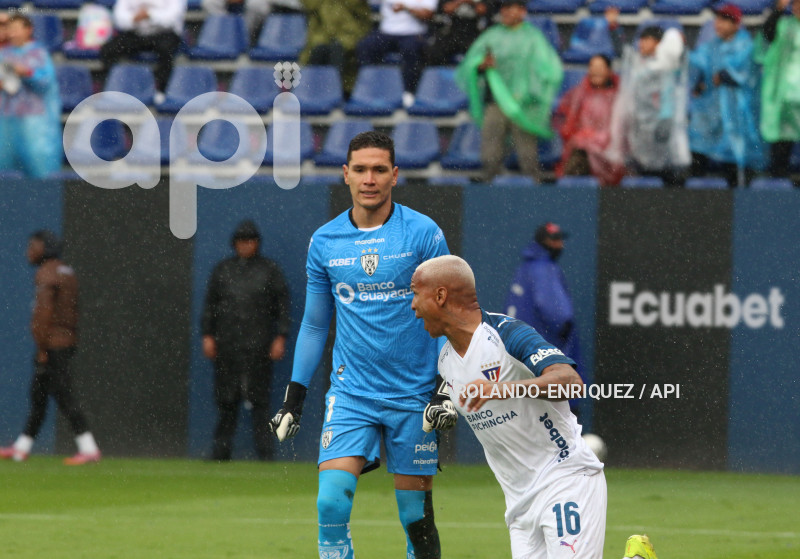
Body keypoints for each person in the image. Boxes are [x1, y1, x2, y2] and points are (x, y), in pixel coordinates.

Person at [270, 131, 450, 559]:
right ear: (345, 174)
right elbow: (315, 327)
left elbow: (450, 317)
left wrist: (445, 387)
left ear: (395, 176)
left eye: (380, 170)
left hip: (414, 396)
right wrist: (294, 398)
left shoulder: (423, 234)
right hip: (352, 394)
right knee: (330, 502)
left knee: (414, 517)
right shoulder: (325, 242)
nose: (370, 179)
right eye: (362, 170)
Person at [410, 254, 606, 559]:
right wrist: (443, 408)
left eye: (415, 294)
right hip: (519, 504)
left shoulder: (505, 333)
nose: (412, 306)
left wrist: (502, 389)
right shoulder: (446, 361)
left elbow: (570, 381)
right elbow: (453, 390)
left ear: (440, 295)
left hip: (566, 480)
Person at [0, 231, 102, 465]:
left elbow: (43, 314)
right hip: (64, 342)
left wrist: (42, 347)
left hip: (52, 345)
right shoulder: (67, 272)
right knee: (39, 396)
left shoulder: (46, 274)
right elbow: (73, 312)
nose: (29, 251)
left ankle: (89, 449)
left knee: (63, 395)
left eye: (32, 246)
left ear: (45, 248)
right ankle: (20, 449)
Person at [202, 220, 290, 461]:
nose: (245, 245)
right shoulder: (223, 270)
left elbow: (282, 305)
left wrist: (280, 337)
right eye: (241, 241)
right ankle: (220, 453)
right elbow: (210, 305)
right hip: (227, 345)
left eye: (250, 240)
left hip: (259, 345)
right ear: (235, 243)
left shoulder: (269, 270)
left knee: (259, 401)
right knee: (226, 401)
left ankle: (265, 454)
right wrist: (207, 335)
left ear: (257, 243)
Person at [456, 0, 563, 183]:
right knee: (490, 151)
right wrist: (482, 65)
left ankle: (535, 189)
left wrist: (527, 92)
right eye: (503, 9)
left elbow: (547, 69)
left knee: (527, 153)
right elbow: (471, 63)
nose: (505, 13)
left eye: (510, 9)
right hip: (496, 100)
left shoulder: (533, 38)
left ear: (522, 11)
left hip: (524, 104)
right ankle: (487, 189)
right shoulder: (491, 36)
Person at [503, 222, 585, 418]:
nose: (559, 245)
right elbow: (558, 314)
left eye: (560, 239)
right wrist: (564, 333)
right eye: (554, 240)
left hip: (520, 355)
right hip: (544, 355)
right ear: (542, 242)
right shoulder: (543, 268)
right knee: (560, 418)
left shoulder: (526, 268)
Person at [689, 3, 765, 187]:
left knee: (735, 164)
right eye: (718, 19)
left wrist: (724, 75)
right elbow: (697, 66)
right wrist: (698, 81)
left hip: (736, 116)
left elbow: (747, 75)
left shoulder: (745, 46)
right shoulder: (710, 47)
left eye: (725, 20)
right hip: (711, 114)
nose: (719, 24)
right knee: (698, 154)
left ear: (736, 25)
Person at [607, 25, 690, 187]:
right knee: (643, 177)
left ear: (659, 43)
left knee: (667, 175)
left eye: (646, 40)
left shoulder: (669, 64)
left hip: (662, 128)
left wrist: (666, 118)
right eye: (640, 40)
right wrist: (614, 28)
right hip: (639, 129)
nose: (641, 44)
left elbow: (671, 89)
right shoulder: (637, 62)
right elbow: (623, 52)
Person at [0, 13, 62, 178]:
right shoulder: (5, 54)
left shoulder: (38, 54)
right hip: (7, 121)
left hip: (35, 123)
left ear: (28, 30)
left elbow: (45, 83)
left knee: (39, 171)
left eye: (16, 29)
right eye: (9, 29)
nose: (12, 33)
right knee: (8, 173)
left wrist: (26, 72)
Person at [553, 54, 625, 185]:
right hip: (583, 149)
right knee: (577, 157)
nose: (596, 71)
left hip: (612, 150)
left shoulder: (620, 95)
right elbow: (567, 125)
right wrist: (585, 138)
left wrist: (603, 140)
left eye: (600, 67)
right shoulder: (578, 94)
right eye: (593, 67)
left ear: (609, 71)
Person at [356, 0, 438, 107]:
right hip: (386, 32)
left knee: (411, 50)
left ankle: (409, 92)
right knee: (365, 46)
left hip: (414, 33)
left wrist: (406, 8)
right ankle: (369, 90)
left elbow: (428, 14)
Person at [99, 0, 186, 97]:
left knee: (166, 51)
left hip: (164, 34)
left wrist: (150, 15)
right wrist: (134, 18)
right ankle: (115, 88)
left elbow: (173, 17)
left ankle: (162, 92)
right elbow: (119, 17)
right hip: (136, 33)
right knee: (108, 49)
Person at [761, 0, 800, 182]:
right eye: (796, 4)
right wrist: (778, 10)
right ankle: (779, 182)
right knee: (783, 140)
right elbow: (767, 34)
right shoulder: (784, 25)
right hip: (785, 96)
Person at [300, 0, 372, 94]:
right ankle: (311, 92)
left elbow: (360, 17)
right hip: (322, 32)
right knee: (318, 49)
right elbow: (309, 4)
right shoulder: (321, 5)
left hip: (349, 33)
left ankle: (335, 92)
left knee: (337, 50)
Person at [425, 0, 490, 66]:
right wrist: (461, 1)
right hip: (453, 30)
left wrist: (470, 2)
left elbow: (481, 9)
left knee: (481, 54)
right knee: (434, 51)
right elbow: (447, 9)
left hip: (473, 31)